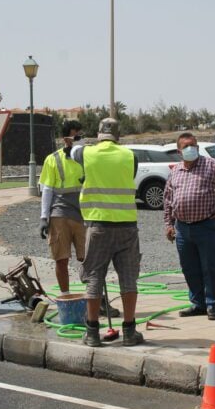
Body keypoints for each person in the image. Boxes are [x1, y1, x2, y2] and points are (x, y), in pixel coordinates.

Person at [72, 118, 143, 347]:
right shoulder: (130, 156)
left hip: (98, 225)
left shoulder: (86, 153)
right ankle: (130, 332)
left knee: (94, 277)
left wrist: (79, 140)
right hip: (126, 226)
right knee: (128, 278)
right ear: (118, 136)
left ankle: (92, 332)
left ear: (99, 134)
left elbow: (73, 150)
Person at [163, 132, 215, 321]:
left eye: (193, 145)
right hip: (182, 228)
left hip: (206, 225)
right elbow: (168, 200)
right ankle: (198, 304)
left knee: (210, 267)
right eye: (186, 146)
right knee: (189, 268)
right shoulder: (176, 171)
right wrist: (169, 224)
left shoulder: (212, 166)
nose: (191, 149)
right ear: (179, 151)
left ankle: (212, 305)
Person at [39, 120, 86, 297]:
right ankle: (66, 296)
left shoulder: (88, 157)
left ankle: (96, 297)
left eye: (80, 136)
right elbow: (47, 190)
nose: (79, 140)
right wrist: (44, 218)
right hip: (60, 215)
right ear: (65, 138)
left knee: (89, 258)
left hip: (84, 215)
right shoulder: (53, 160)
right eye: (75, 136)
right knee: (61, 259)